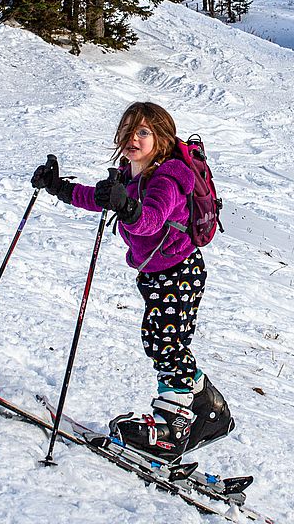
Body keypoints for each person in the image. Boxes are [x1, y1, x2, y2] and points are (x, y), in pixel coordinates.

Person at [30, 101, 233, 461]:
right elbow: (99, 198)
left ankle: (173, 425)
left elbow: (150, 220)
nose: (132, 138)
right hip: (155, 274)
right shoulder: (131, 173)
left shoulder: (170, 176)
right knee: (161, 340)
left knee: (164, 342)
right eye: (127, 130)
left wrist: (127, 208)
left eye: (143, 132)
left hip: (180, 271)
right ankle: (207, 407)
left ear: (162, 138)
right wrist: (58, 188)